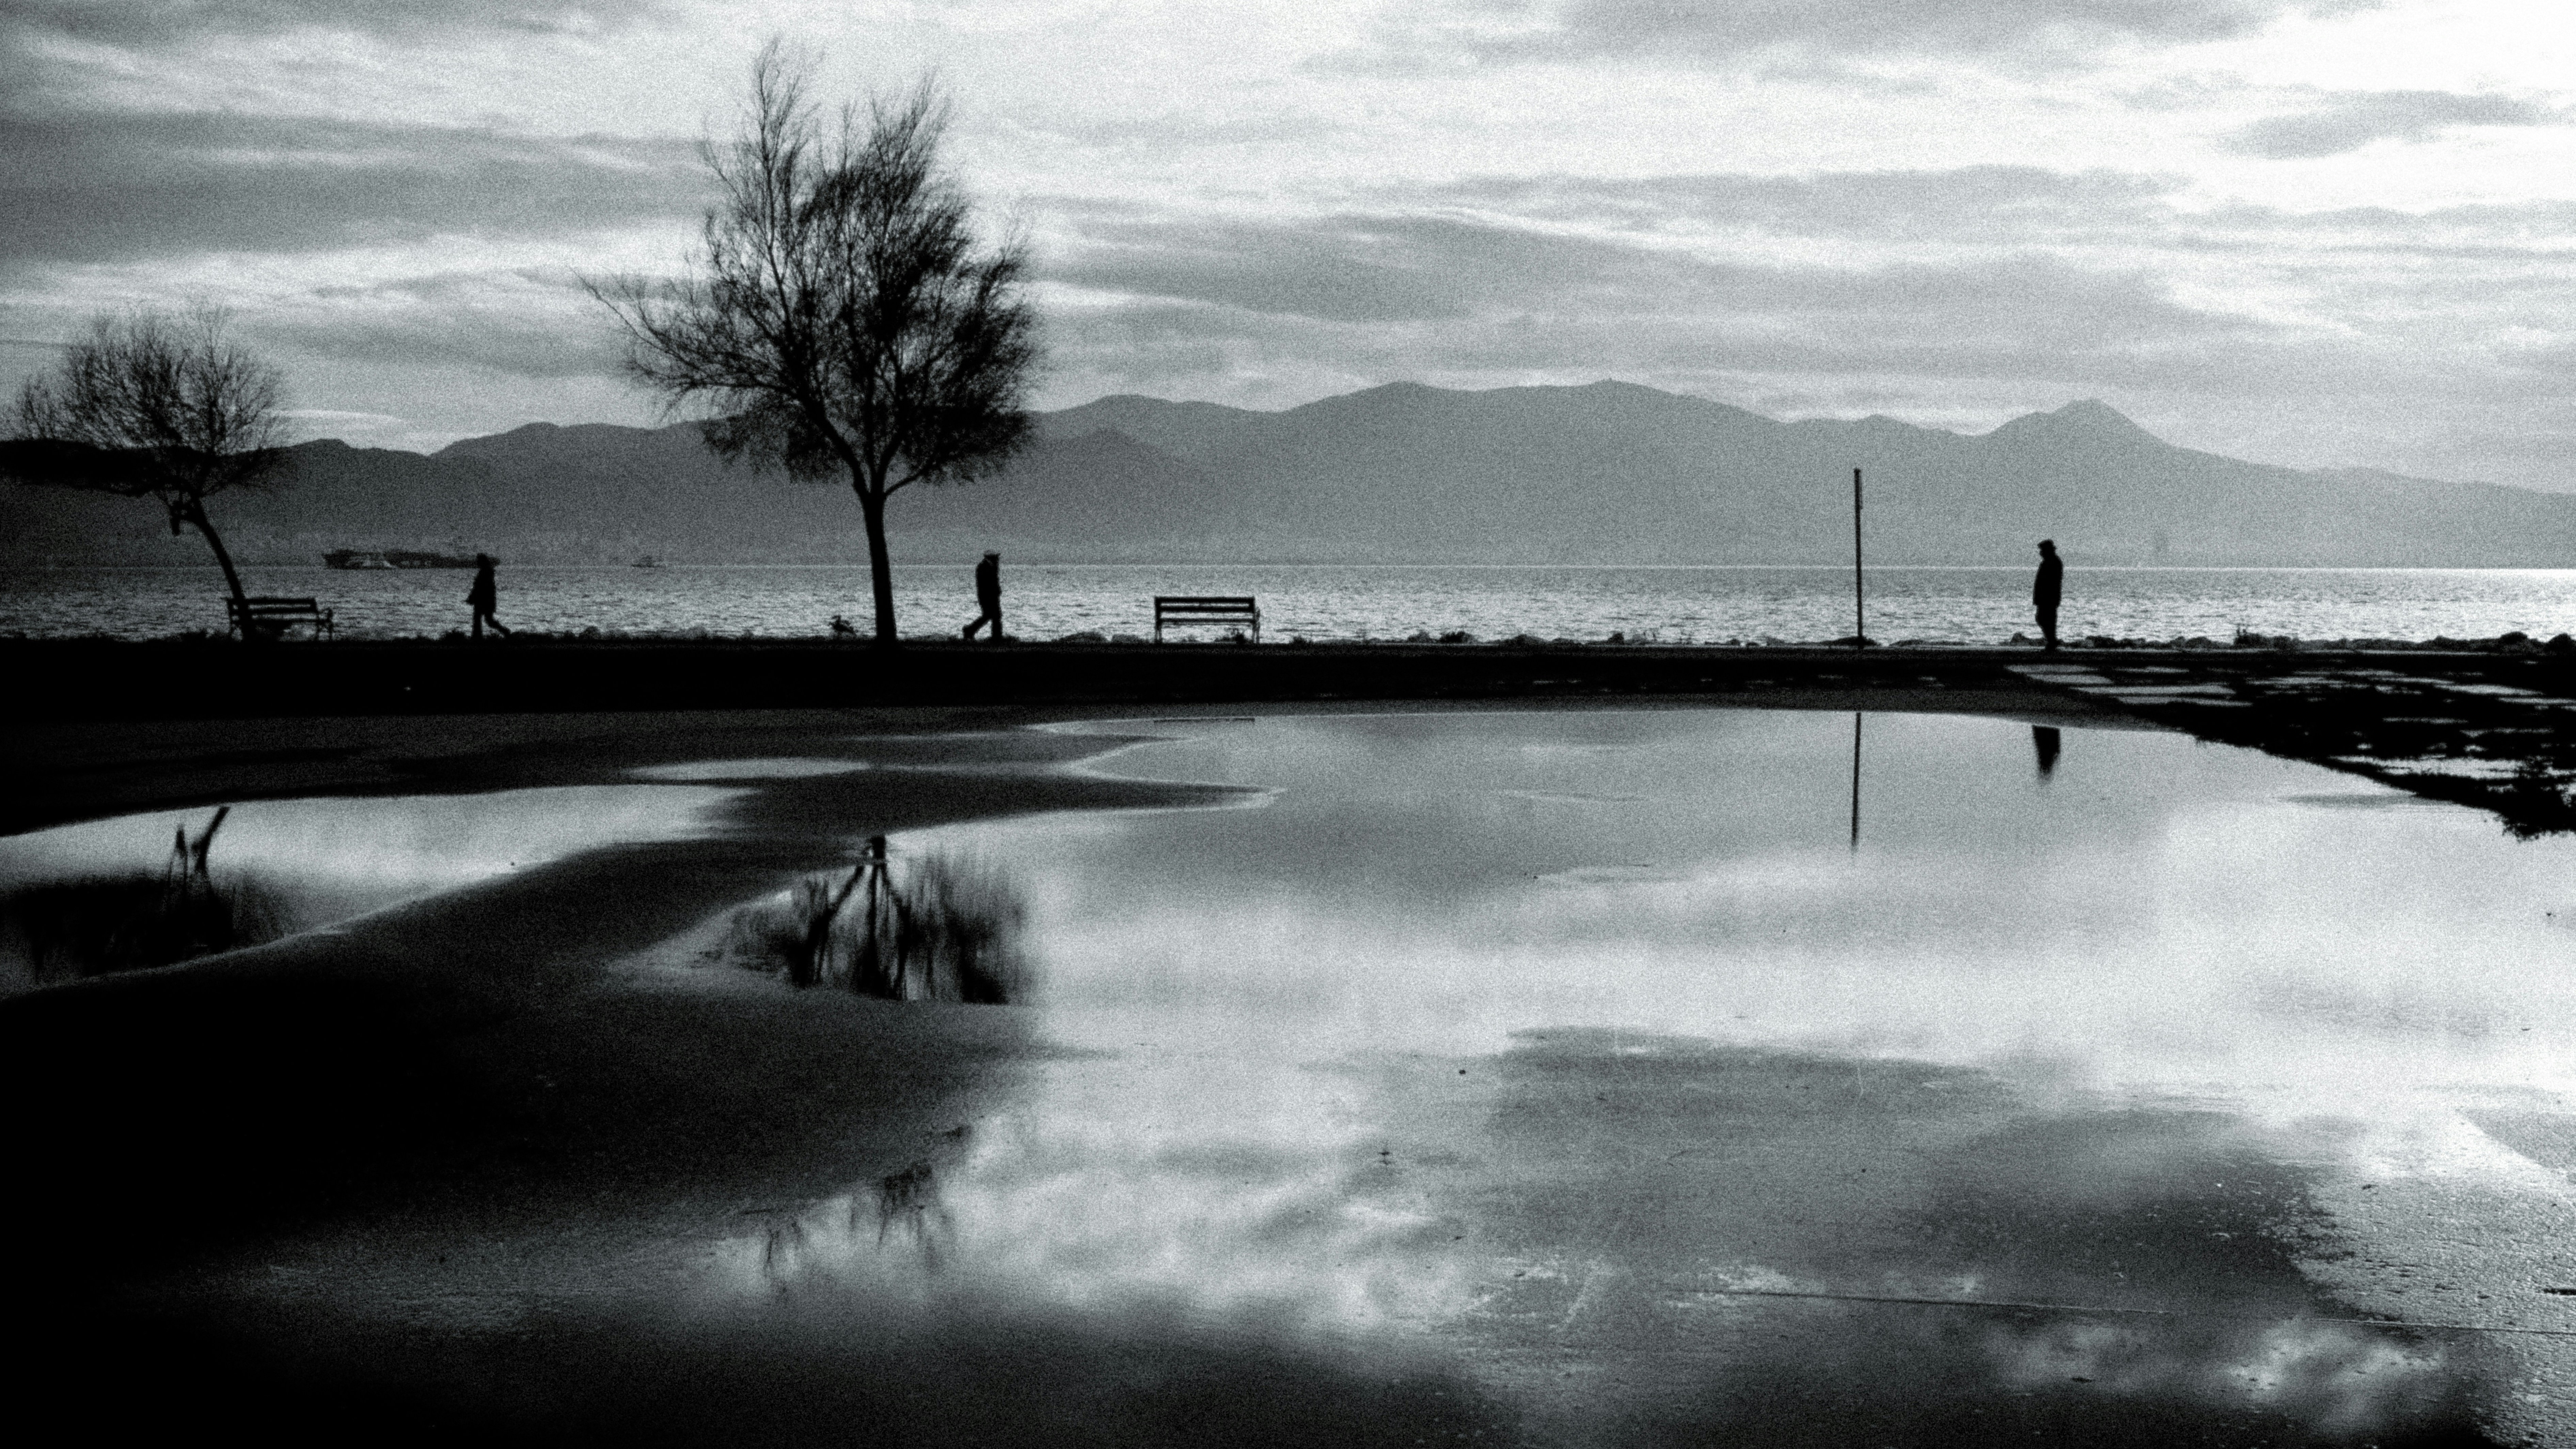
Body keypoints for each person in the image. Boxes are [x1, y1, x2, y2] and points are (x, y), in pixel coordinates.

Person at [467, 554, 511, 640]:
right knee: (486, 620)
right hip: (487, 600)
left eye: (478, 561)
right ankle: (478, 637)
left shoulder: (484, 573)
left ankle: (477, 637)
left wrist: (472, 598)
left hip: (483, 600)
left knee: (481, 620)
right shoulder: (488, 572)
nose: (477, 563)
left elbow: (479, 587)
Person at [961, 551, 1003, 641]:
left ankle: (971, 631)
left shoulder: (990, 567)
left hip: (991, 596)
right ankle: (996, 638)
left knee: (992, 616)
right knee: (993, 616)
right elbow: (987, 584)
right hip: (987, 597)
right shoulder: (984, 567)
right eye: (996, 557)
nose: (998, 559)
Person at [2033, 539, 2063, 652]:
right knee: (2045, 619)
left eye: (2042, 550)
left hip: (2048, 597)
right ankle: (2052, 641)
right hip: (2047, 597)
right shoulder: (2051, 562)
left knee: (2046, 619)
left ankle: (2052, 642)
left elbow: (2051, 582)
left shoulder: (2053, 562)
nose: (2041, 553)